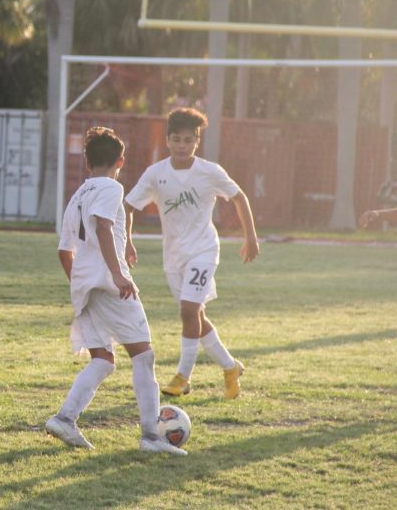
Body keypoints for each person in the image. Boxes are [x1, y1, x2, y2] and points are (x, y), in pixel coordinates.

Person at [46, 126, 185, 456]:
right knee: (143, 355)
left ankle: (65, 418)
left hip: (85, 288)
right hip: (110, 286)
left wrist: (82, 283)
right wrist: (118, 274)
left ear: (86, 161)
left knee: (104, 360)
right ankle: (151, 436)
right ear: (120, 160)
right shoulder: (111, 187)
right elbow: (104, 226)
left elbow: (64, 251)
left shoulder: (78, 195)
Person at [124, 107, 259, 400]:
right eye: (177, 139)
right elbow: (129, 207)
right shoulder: (155, 174)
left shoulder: (210, 171)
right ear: (168, 140)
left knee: (187, 310)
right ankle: (230, 367)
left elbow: (239, 197)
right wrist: (127, 242)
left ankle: (183, 376)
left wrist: (251, 237)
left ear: (197, 141)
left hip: (204, 250)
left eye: (189, 140)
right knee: (195, 315)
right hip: (173, 256)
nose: (183, 146)